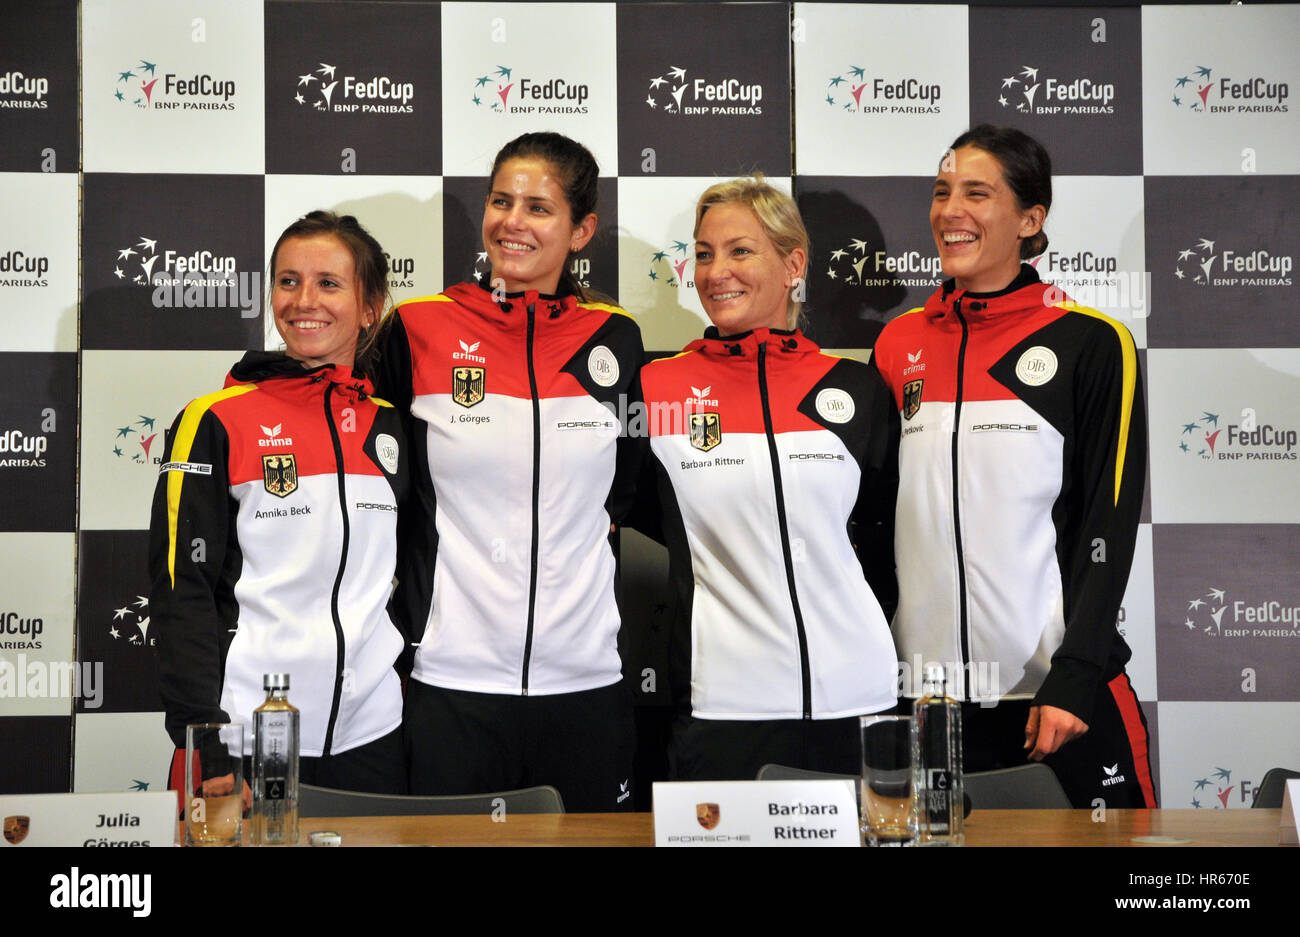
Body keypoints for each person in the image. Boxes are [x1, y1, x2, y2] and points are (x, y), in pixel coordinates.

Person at [872, 125, 1156, 808]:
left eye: (977, 193)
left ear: (1031, 219)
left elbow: (1106, 526)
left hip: (1052, 699)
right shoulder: (897, 341)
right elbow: (874, 519)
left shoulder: (1091, 340)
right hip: (927, 703)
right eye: (942, 193)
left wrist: (1077, 675)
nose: (950, 211)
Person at [376, 132, 644, 812]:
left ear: (581, 230)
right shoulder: (418, 328)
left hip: (586, 686)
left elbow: (627, 488)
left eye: (539, 207)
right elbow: (374, 493)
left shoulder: (615, 337)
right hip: (451, 684)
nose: (512, 222)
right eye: (501, 201)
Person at [635, 176, 900, 781]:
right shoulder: (655, 389)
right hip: (722, 705)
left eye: (740, 250)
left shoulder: (854, 389)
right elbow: (638, 510)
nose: (715, 270)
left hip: (858, 698)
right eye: (703, 253)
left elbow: (886, 538)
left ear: (793, 263)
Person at [150, 211, 408, 795]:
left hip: (375, 734)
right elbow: (180, 588)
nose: (303, 300)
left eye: (329, 283)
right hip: (248, 735)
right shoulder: (214, 418)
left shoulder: (391, 425)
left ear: (370, 307)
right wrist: (204, 737)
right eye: (288, 281)